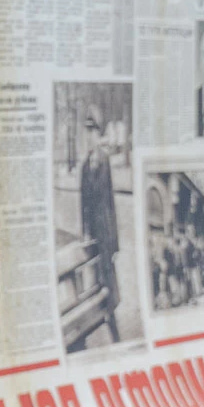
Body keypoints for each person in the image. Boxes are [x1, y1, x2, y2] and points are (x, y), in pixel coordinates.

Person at [78, 110, 122, 343]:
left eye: (92, 132)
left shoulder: (104, 161)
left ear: (98, 135)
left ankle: (113, 320)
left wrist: (115, 242)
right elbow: (83, 204)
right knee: (96, 277)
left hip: (104, 231)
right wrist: (85, 231)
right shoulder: (85, 166)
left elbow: (110, 202)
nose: (89, 137)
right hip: (93, 232)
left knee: (108, 276)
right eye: (87, 133)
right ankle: (102, 317)